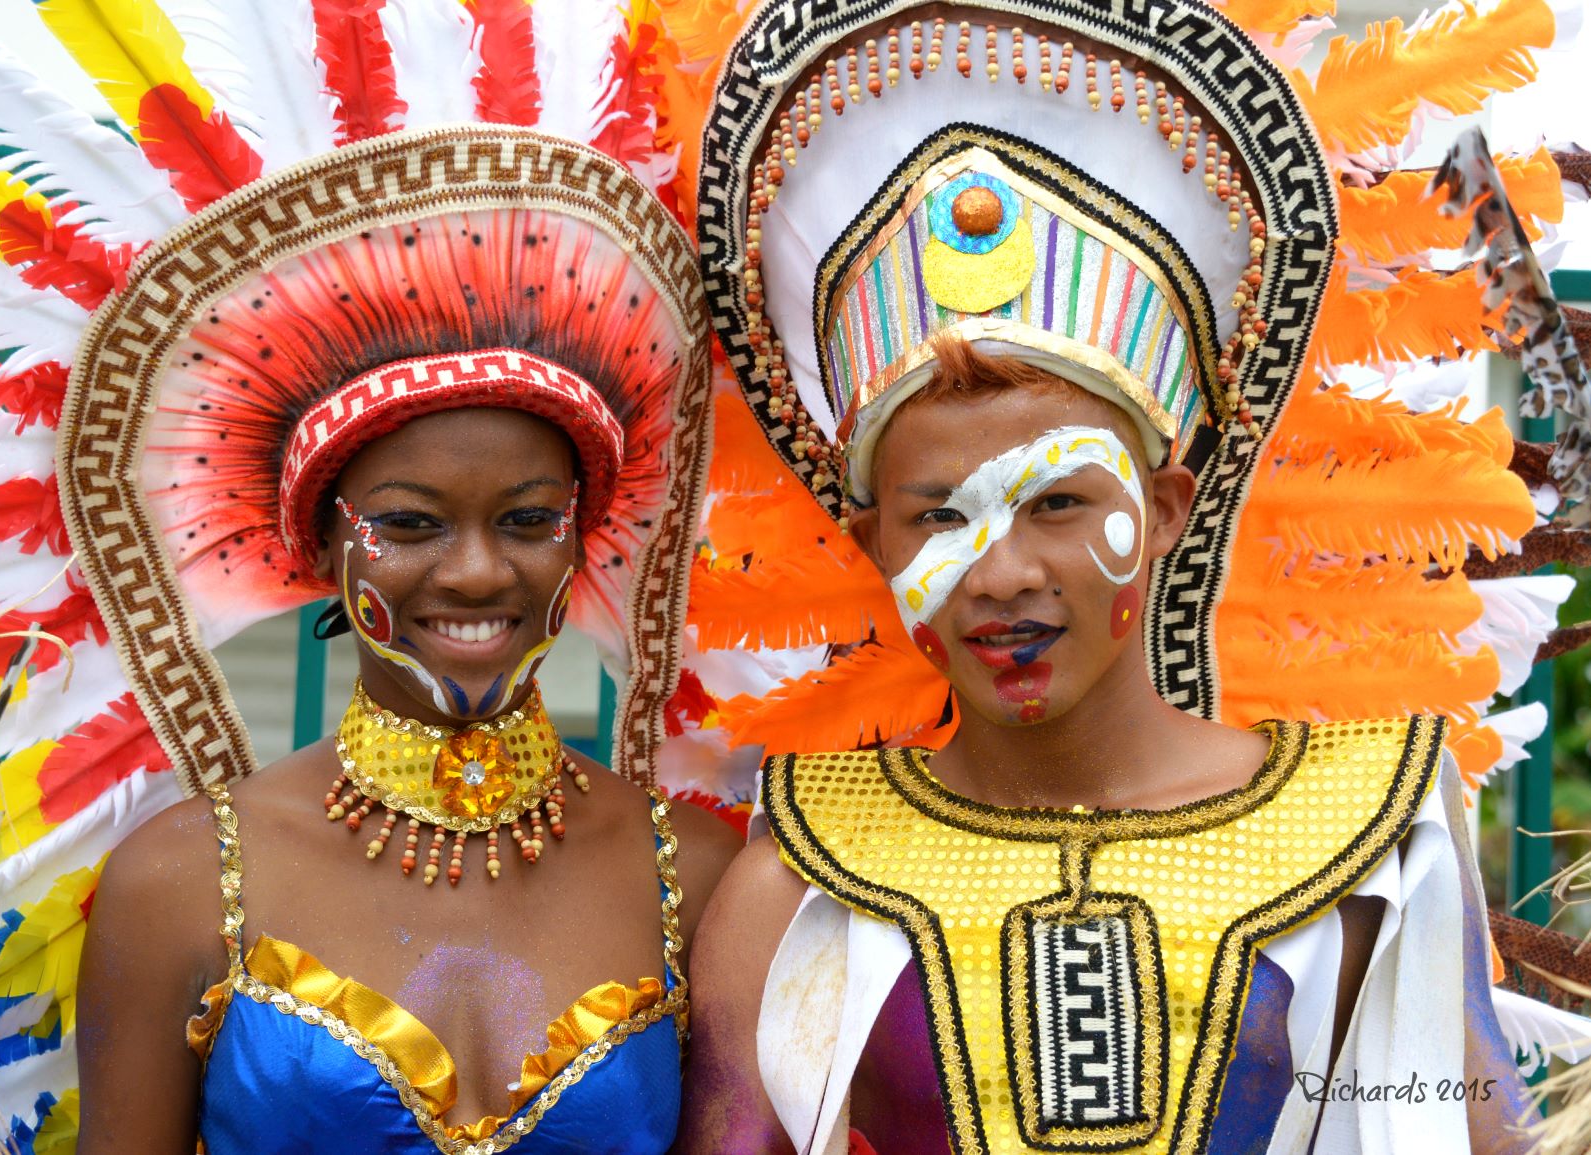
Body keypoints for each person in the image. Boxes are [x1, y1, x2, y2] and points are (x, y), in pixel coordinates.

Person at [676, 1, 1578, 1152]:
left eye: (1057, 502)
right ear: (871, 549)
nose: (999, 574)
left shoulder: (1367, 842)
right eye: (938, 518)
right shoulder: (800, 880)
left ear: (1160, 511)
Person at [0, 2, 742, 1149]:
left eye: (529, 520)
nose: (479, 572)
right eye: (409, 524)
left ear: (584, 535)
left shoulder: (696, 871)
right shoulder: (185, 879)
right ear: (321, 548)